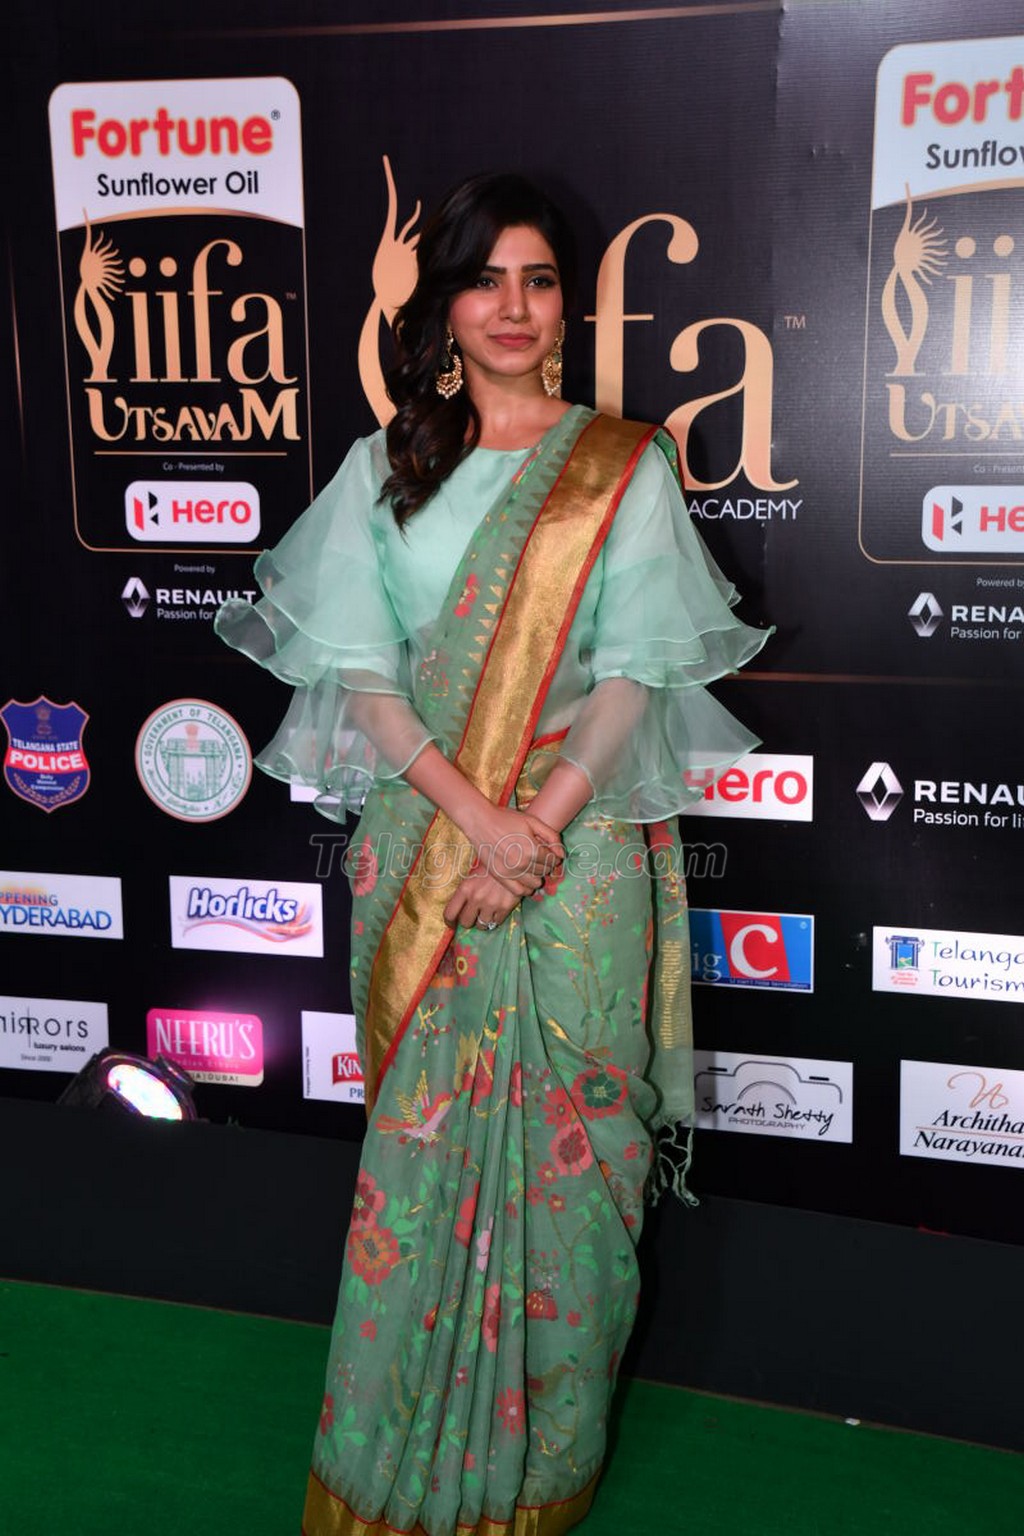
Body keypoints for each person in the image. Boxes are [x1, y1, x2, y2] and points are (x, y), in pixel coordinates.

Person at [216, 172, 769, 1536]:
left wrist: (541, 822)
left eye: (537, 279)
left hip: (583, 850)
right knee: (418, 1153)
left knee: (582, 1155)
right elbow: (362, 679)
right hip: (429, 847)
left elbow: (638, 671)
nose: (512, 307)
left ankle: (544, 1473)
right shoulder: (383, 468)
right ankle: (388, 1474)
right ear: (444, 310)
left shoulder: (621, 464)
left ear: (567, 303)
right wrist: (482, 821)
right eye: (484, 280)